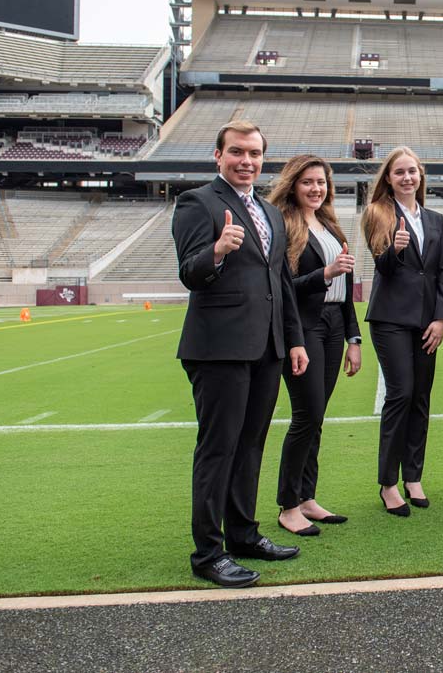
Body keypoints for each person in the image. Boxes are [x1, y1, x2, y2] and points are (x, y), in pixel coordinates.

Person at [172, 119, 308, 588]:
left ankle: (244, 534)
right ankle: (209, 553)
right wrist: (217, 250)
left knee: (250, 447)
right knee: (218, 450)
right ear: (218, 155)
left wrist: (293, 339)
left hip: (266, 347)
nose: (246, 161)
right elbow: (190, 272)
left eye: (253, 154)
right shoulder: (197, 202)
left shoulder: (270, 213)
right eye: (236, 152)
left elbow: (281, 284)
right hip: (219, 348)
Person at [267, 155, 360, 537]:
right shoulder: (285, 226)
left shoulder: (330, 226)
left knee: (317, 416)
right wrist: (324, 273)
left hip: (335, 323)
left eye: (321, 182)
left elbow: (346, 291)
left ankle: (307, 497)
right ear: (293, 184)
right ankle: (288, 505)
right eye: (308, 181)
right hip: (304, 325)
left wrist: (353, 337)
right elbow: (284, 287)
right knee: (306, 415)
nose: (316, 188)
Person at [361, 147, 443, 517]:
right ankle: (388, 483)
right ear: (388, 178)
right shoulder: (377, 213)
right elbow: (382, 268)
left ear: (421, 175)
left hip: (427, 320)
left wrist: (441, 318)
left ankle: (413, 476)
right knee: (400, 393)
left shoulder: (435, 219)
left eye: (412, 171)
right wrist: (394, 251)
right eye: (399, 172)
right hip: (391, 319)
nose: (407, 178)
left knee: (421, 397)